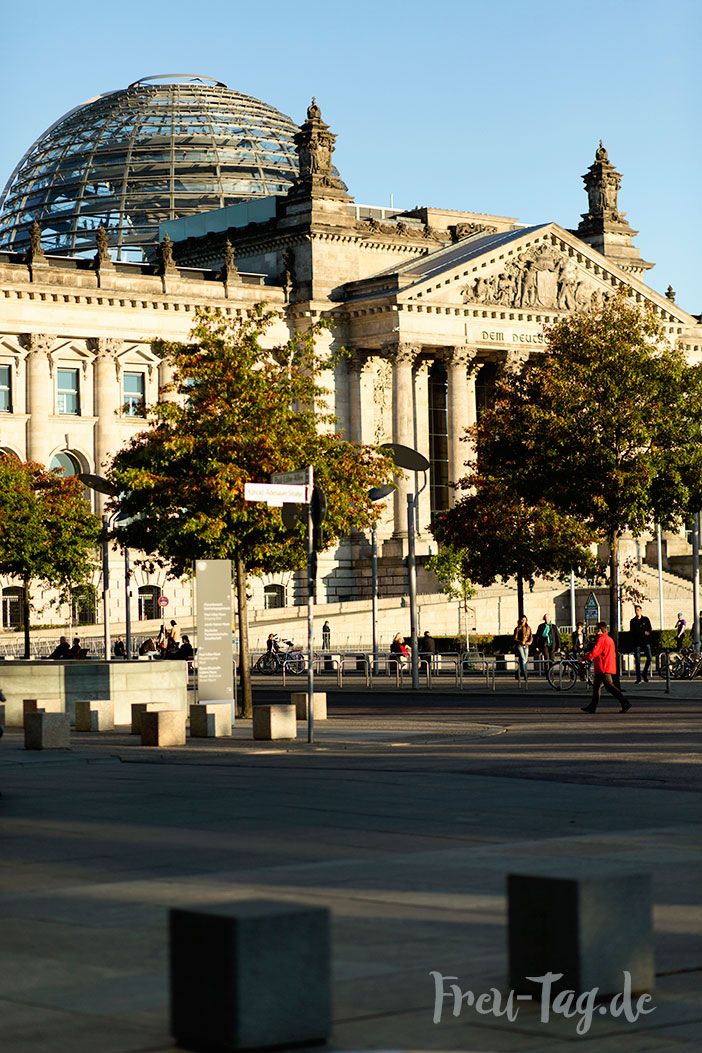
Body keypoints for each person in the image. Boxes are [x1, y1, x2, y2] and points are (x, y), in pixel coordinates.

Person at [581, 621, 631, 714]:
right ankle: (592, 706)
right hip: (606, 666)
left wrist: (584, 658)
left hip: (603, 667)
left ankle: (625, 702)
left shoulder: (601, 639)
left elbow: (595, 652)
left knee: (610, 687)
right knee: (597, 687)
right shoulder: (609, 639)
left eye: (596, 629)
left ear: (600, 630)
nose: (594, 630)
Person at [629, 605, 653, 683]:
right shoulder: (633, 621)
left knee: (649, 657)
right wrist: (643, 631)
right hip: (637, 643)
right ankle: (638, 678)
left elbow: (649, 629)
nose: (637, 611)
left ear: (641, 610)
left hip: (645, 641)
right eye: (636, 610)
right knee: (638, 660)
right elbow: (633, 632)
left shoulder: (645, 619)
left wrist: (647, 632)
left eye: (638, 610)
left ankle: (644, 672)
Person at [513, 615, 533, 682]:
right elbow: (515, 638)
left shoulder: (528, 628)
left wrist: (528, 642)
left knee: (524, 661)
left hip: (526, 645)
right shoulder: (517, 628)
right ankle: (525, 675)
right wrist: (520, 642)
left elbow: (531, 637)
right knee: (523, 659)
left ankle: (518, 673)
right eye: (522, 620)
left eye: (525, 620)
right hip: (520, 645)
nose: (523, 621)